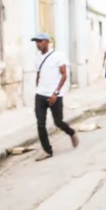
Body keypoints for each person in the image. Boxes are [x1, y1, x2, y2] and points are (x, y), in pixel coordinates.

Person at [32, 32, 79, 161]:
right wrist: (38, 86)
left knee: (58, 122)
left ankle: (71, 133)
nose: (38, 44)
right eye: (37, 42)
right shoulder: (37, 58)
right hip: (40, 95)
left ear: (47, 41)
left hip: (54, 96)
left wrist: (55, 93)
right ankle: (47, 150)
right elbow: (38, 73)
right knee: (40, 124)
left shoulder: (58, 55)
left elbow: (64, 75)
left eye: (40, 41)